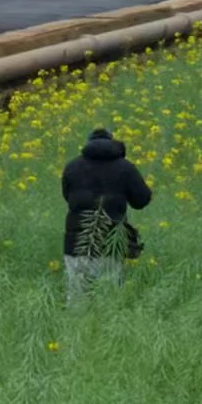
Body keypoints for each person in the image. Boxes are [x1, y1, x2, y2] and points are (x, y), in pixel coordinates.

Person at [60, 127, 151, 296]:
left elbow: (68, 197)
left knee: (77, 298)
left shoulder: (72, 167)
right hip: (110, 245)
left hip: (75, 245)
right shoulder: (125, 167)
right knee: (109, 298)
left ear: (88, 144)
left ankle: (76, 322)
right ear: (113, 143)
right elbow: (142, 199)